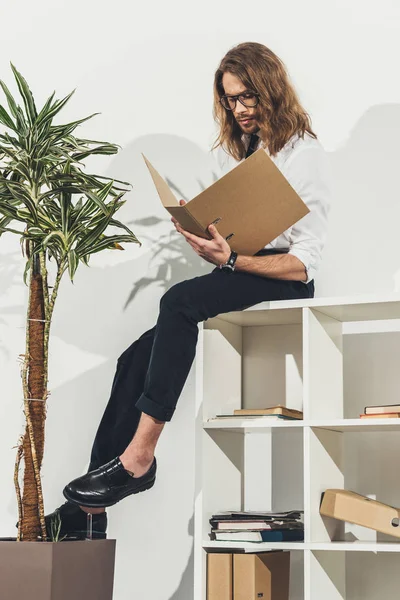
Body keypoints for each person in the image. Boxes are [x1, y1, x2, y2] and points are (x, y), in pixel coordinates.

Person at [44, 41, 331, 540]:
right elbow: (240, 236)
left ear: (271, 90)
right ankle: (90, 512)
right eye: (230, 99)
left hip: (282, 285)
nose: (239, 109)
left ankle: (140, 456)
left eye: (247, 97)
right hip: (240, 271)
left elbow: (306, 264)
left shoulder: (304, 154)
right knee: (134, 357)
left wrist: (235, 259)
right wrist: (210, 239)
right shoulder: (246, 150)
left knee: (177, 300)